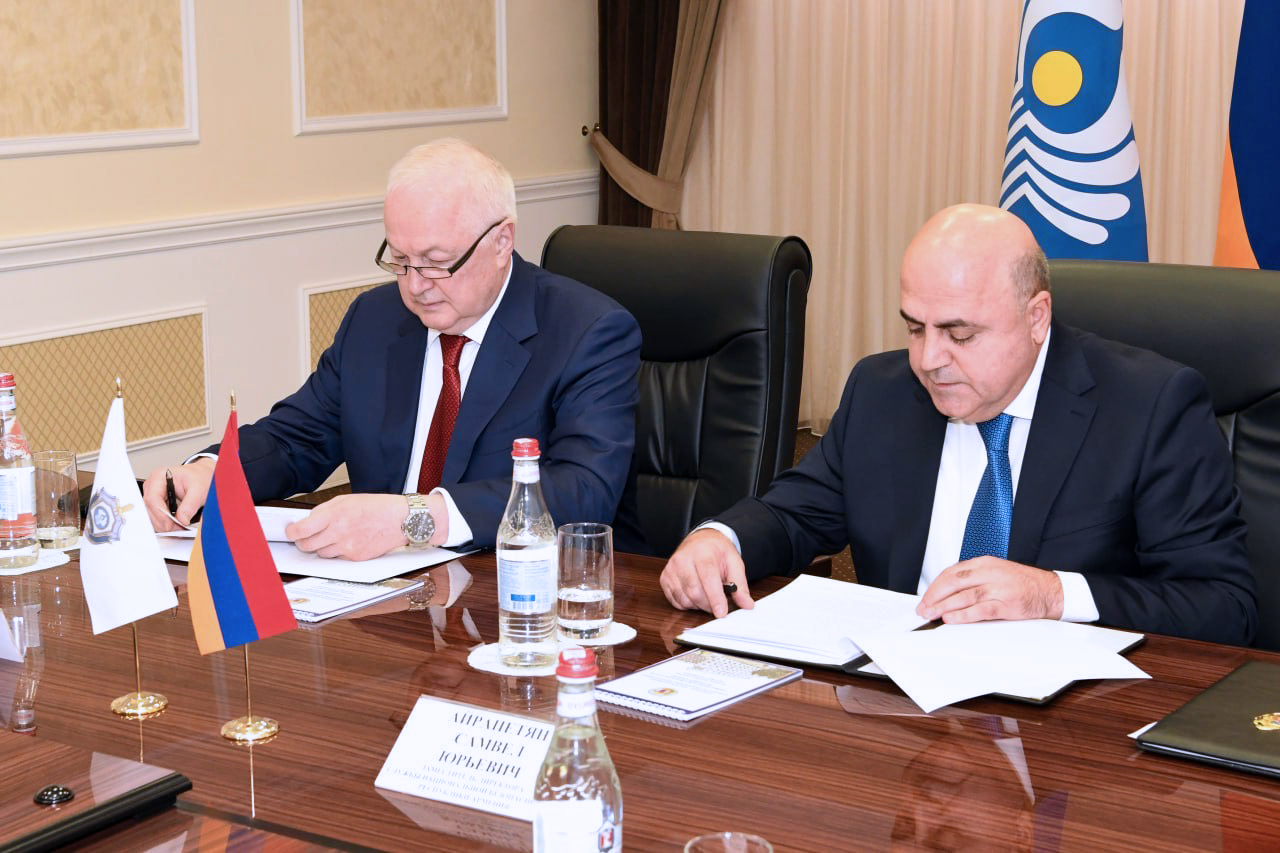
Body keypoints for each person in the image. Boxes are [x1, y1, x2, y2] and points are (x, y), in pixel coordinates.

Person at [661, 203, 1256, 645]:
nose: (928, 360)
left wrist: (1052, 594)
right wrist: (720, 538)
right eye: (914, 327)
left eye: (960, 334)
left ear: (1037, 318)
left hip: (1070, 735)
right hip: (905, 713)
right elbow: (795, 514)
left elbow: (1223, 605)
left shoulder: (1149, 408)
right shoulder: (882, 392)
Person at [143, 138, 641, 559]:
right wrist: (213, 471)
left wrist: (415, 519)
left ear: (501, 242)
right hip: (376, 598)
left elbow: (584, 491)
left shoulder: (587, 332)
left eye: (437, 261)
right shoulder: (375, 319)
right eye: (399, 259)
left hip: (507, 597)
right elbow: (299, 437)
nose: (415, 285)